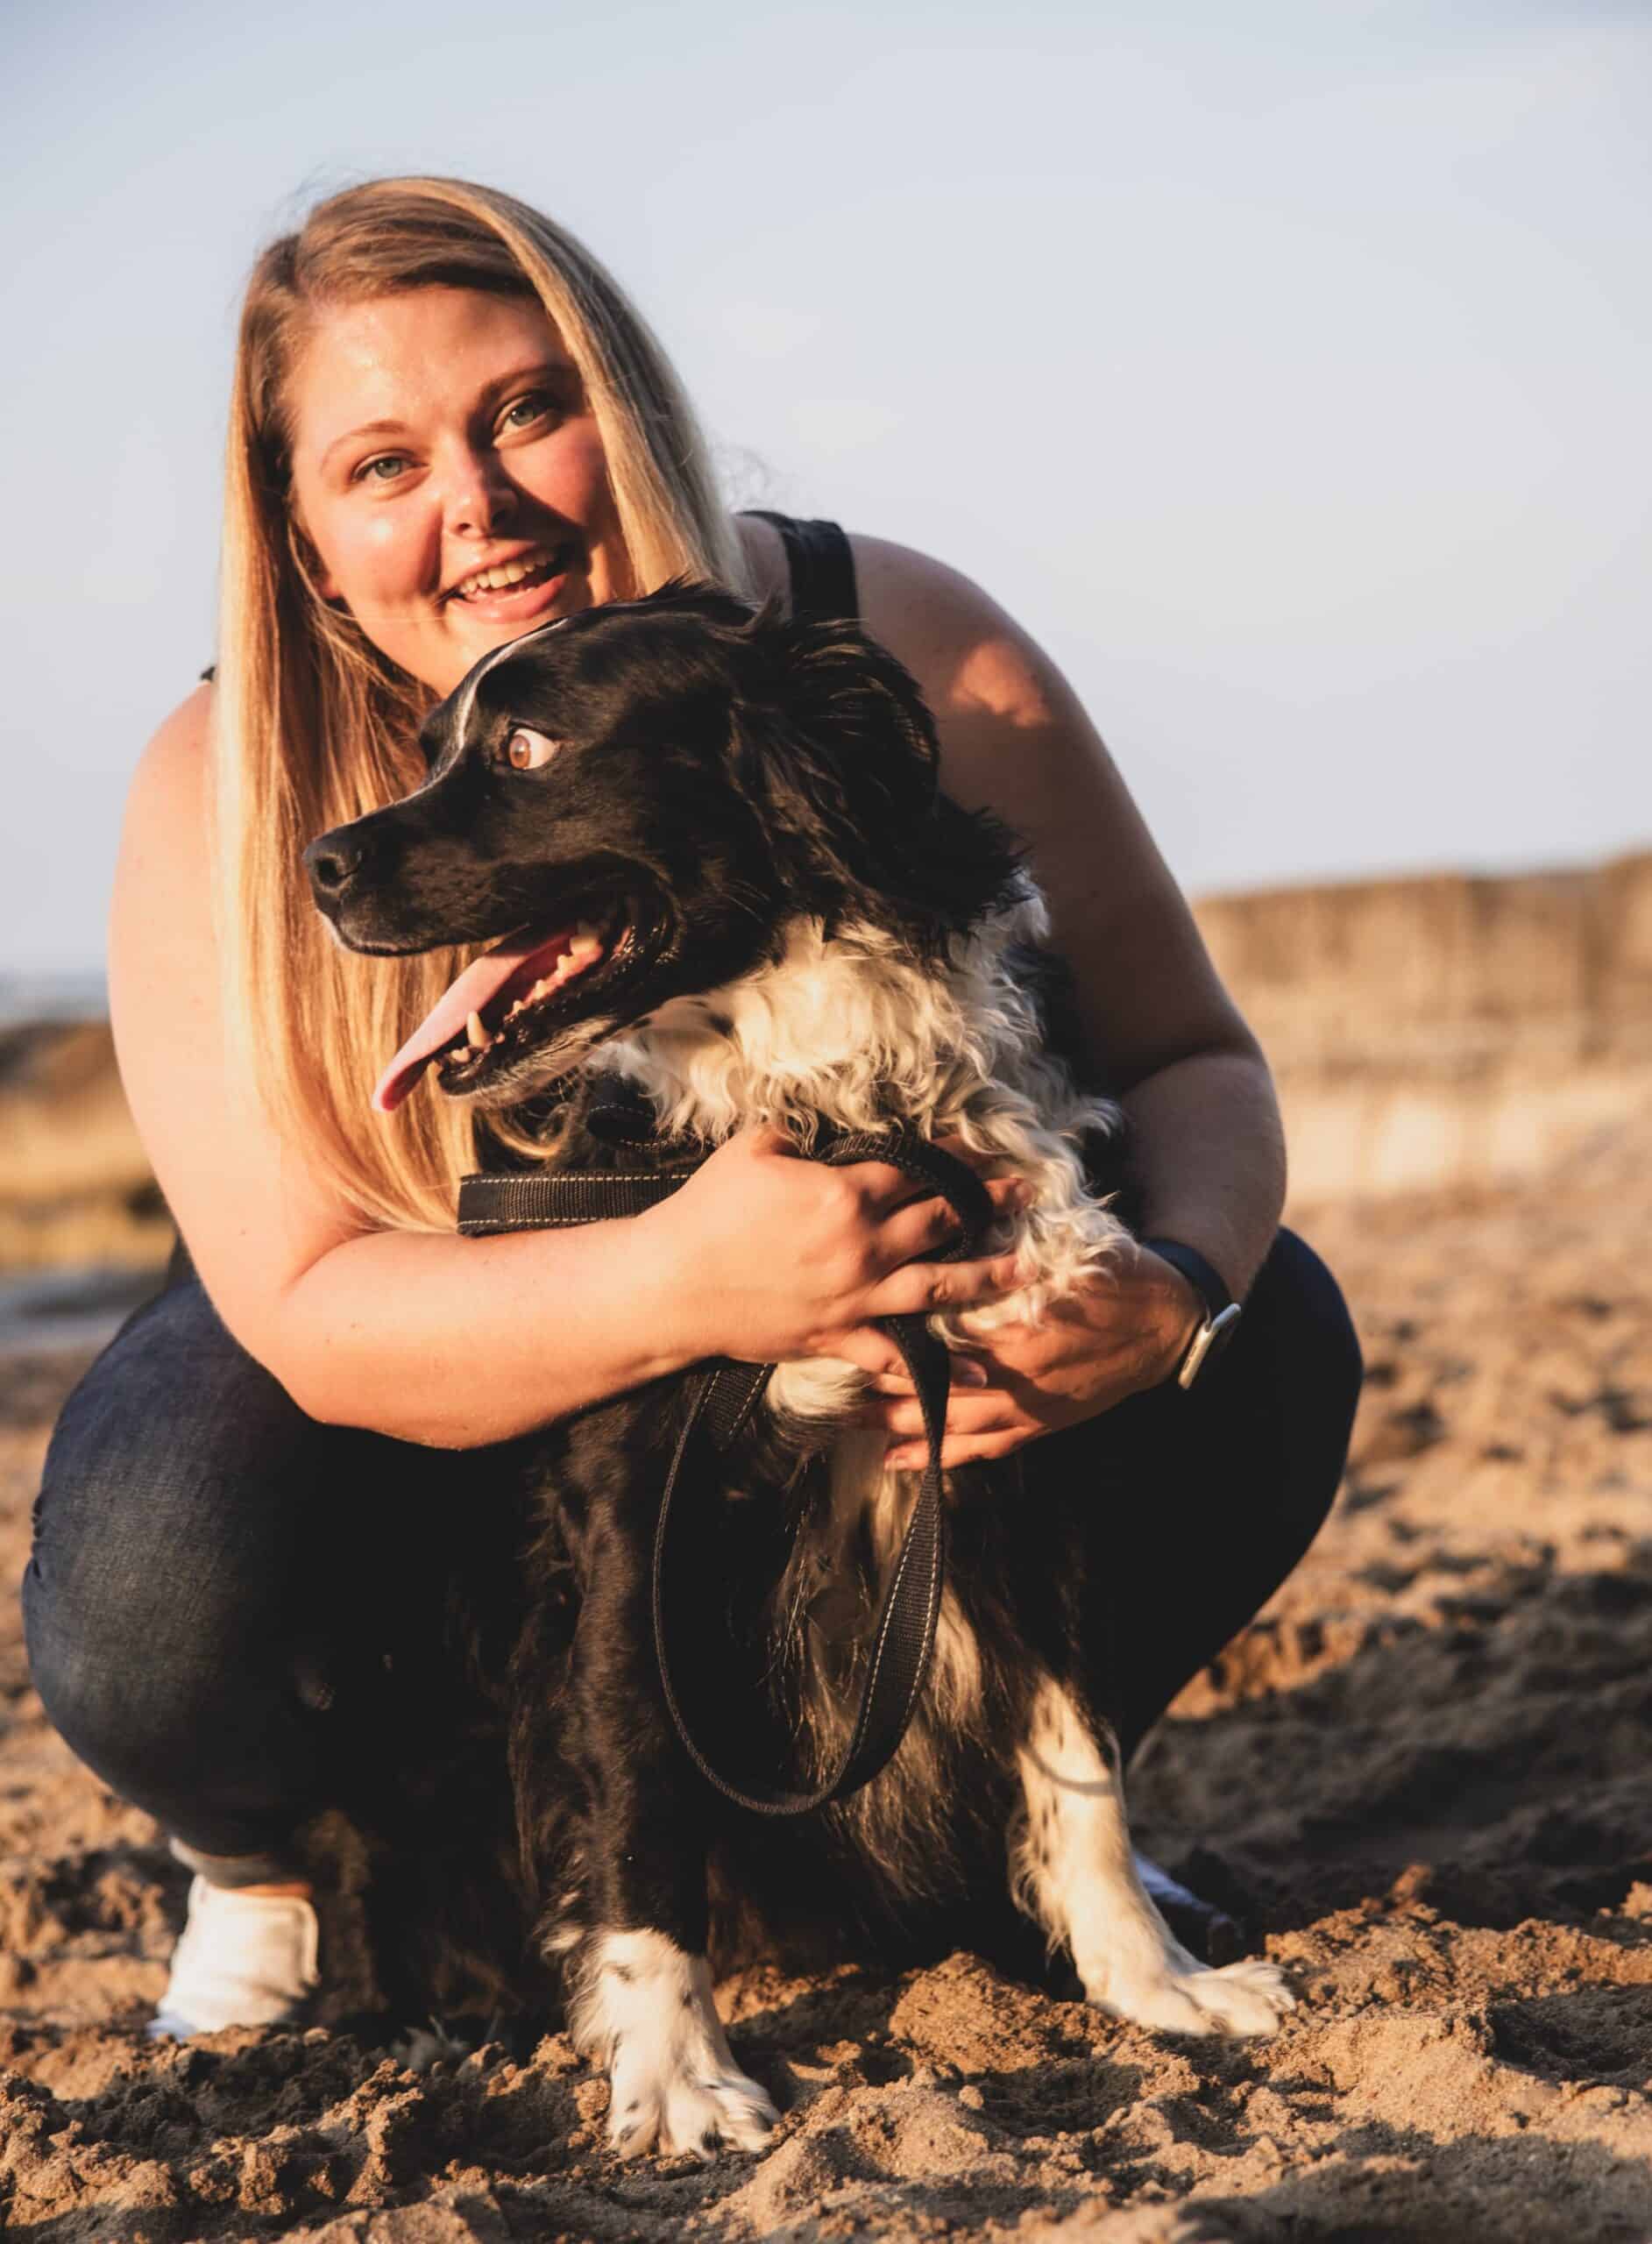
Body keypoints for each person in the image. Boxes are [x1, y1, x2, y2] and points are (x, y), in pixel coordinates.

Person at [21, 177, 1361, 2039]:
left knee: (1268, 1321)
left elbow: (1191, 1061)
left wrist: (1173, 1282)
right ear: (311, 543)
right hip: (399, 1371)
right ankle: (266, 1871)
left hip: (847, 1311)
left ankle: (1002, 1816)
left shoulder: (886, 635)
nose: (475, 504)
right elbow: (312, 1308)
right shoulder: (225, 776)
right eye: (383, 463)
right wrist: (689, 1281)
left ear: (626, 403)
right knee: (167, 1527)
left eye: (522, 410)